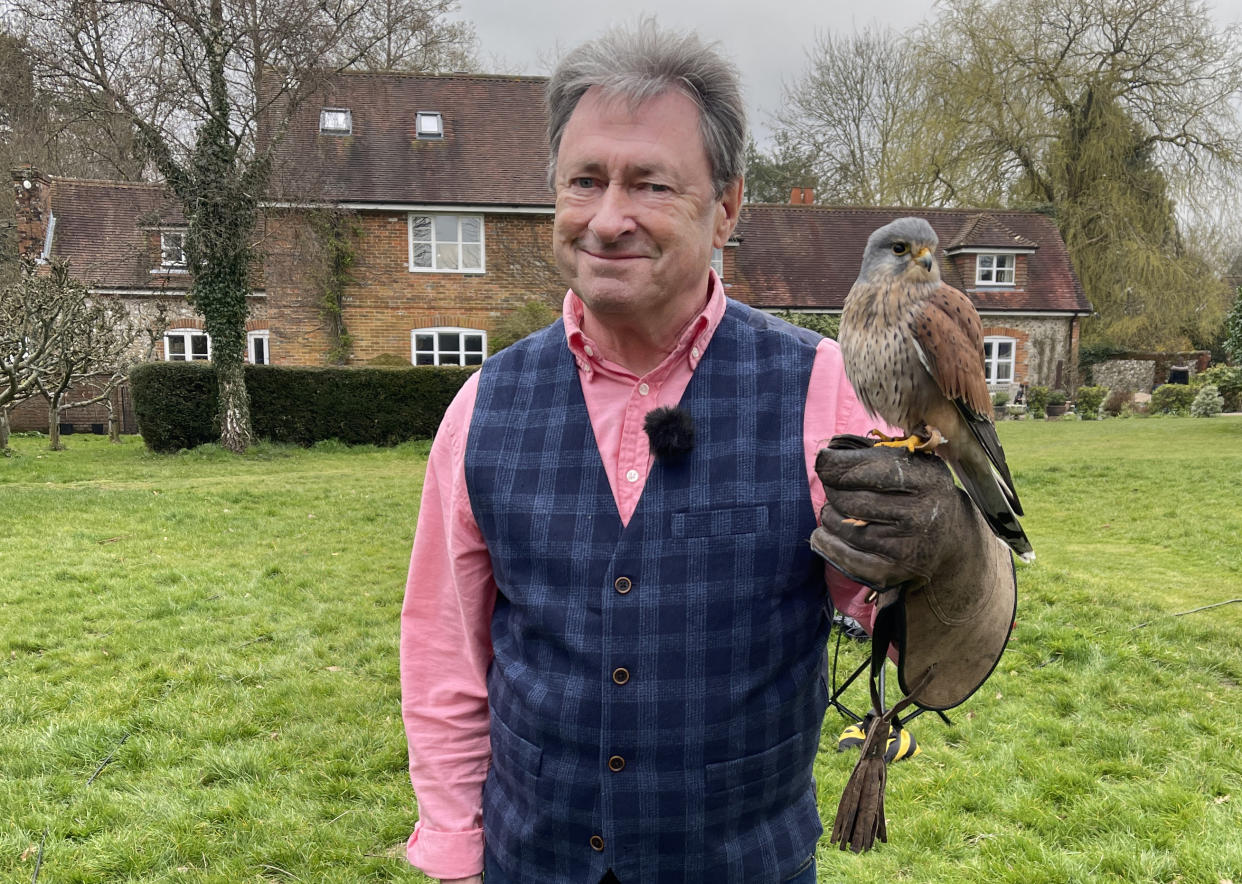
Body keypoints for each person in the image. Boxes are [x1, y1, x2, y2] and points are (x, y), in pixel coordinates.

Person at [400, 21, 1016, 884]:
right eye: (584, 180)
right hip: (529, 861)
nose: (608, 219)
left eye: (650, 184)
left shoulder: (826, 387)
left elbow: (924, 640)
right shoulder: (481, 407)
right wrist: (459, 856)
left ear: (726, 208)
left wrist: (956, 552)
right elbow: (444, 661)